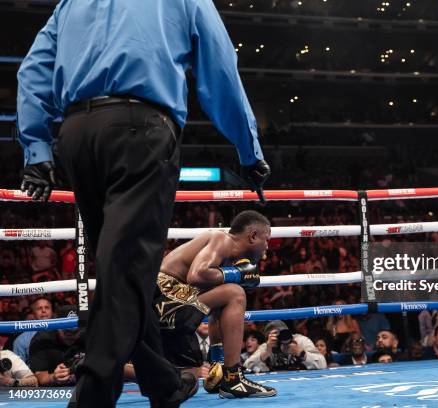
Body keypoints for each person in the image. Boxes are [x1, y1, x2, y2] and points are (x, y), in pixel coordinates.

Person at [17, 0, 271, 406]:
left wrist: (36, 146)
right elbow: (220, 67)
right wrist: (248, 147)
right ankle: (92, 394)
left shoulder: (70, 3)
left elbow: (33, 68)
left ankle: (164, 384)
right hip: (140, 130)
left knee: (123, 272)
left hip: (78, 136)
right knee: (125, 275)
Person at [155, 210, 276, 399]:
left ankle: (220, 365)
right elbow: (196, 275)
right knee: (235, 293)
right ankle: (234, 378)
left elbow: (216, 305)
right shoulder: (223, 240)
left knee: (190, 376)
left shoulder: (226, 258)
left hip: (167, 310)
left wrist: (218, 361)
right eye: (266, 239)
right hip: (163, 301)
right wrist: (237, 273)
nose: (266, 247)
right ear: (253, 236)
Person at [244, 320, 326, 372]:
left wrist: (301, 353)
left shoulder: (301, 341)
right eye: (275, 335)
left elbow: (323, 363)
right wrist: (266, 353)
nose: (279, 338)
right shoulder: (267, 347)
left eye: (280, 333)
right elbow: (246, 368)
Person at [12, 297, 53, 364]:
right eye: (39, 308)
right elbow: (19, 371)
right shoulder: (21, 340)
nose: (43, 310)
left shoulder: (63, 334)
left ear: (52, 311)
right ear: (33, 314)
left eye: (47, 307)